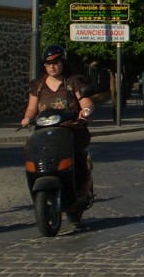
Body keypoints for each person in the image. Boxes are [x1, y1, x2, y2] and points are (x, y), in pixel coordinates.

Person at [21, 44, 94, 198]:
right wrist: (27, 118)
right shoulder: (38, 86)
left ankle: (82, 185)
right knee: (30, 149)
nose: (52, 67)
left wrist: (85, 111)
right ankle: (35, 181)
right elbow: (31, 108)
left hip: (70, 127)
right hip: (44, 130)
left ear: (63, 63)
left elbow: (86, 102)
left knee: (75, 151)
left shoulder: (72, 81)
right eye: (48, 64)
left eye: (56, 63)